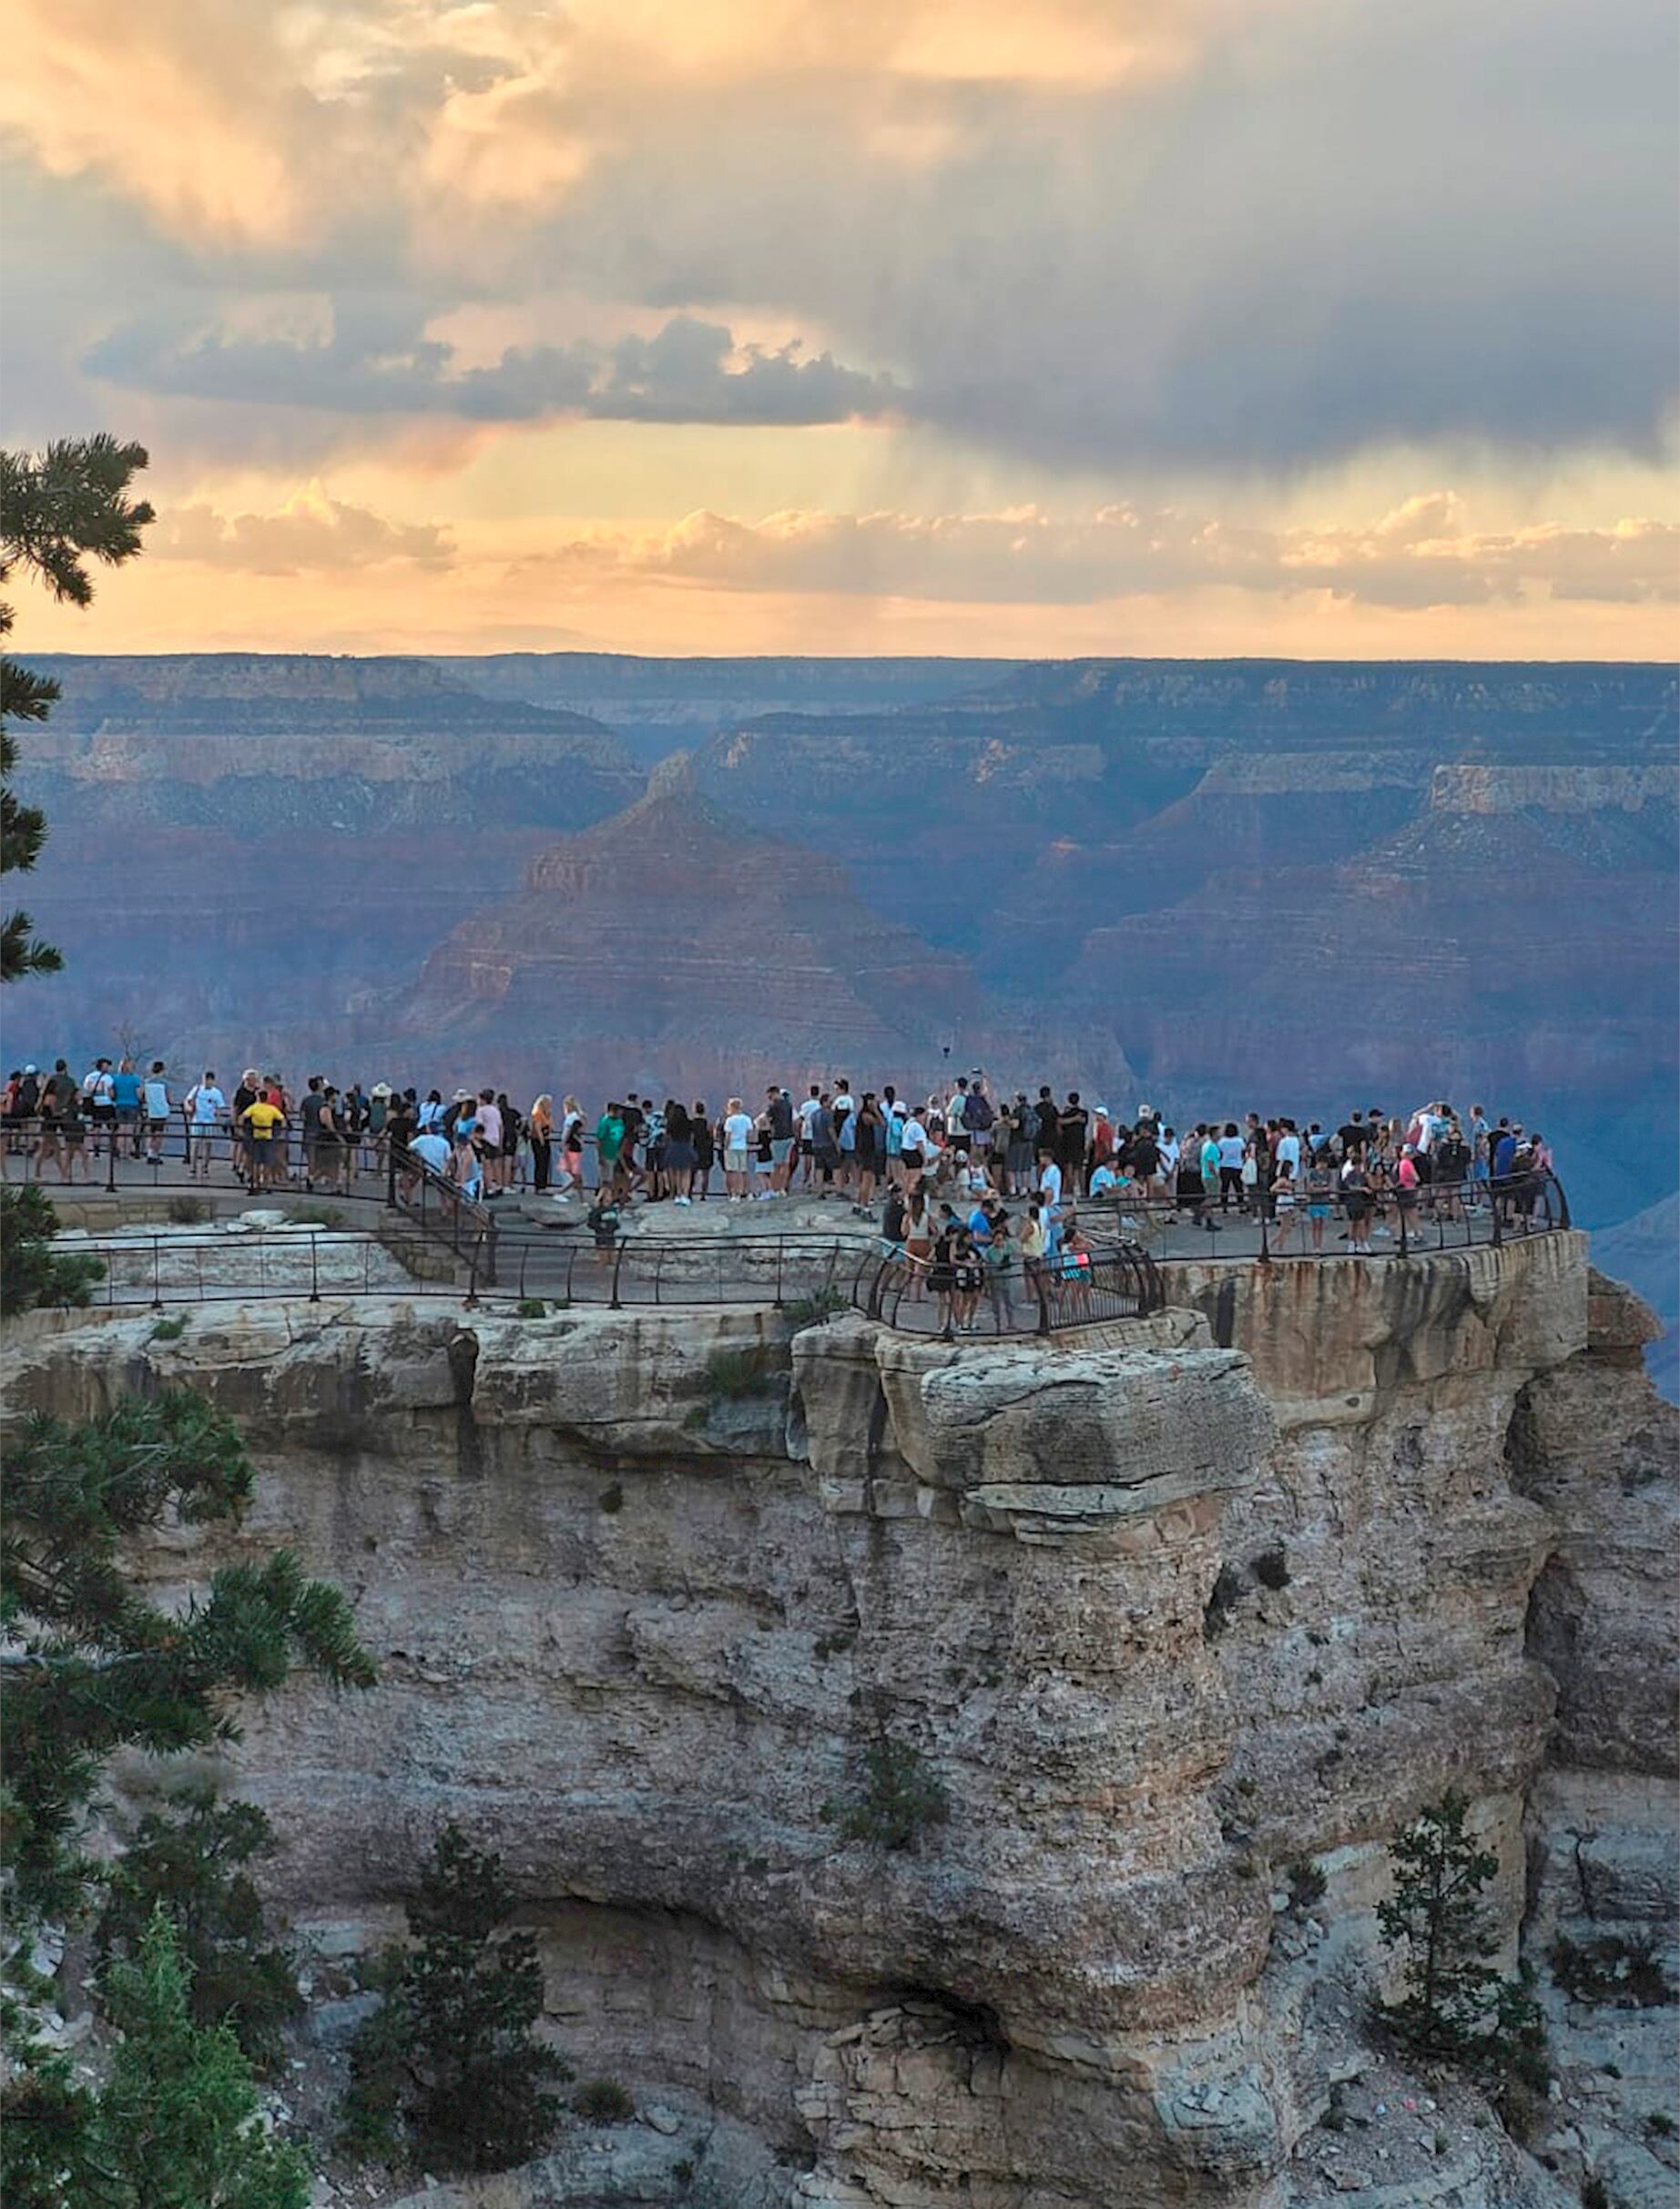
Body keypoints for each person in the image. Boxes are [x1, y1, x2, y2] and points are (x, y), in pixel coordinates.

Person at [186, 1070, 226, 1182]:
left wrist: (217, 1119)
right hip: (197, 1119)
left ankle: (205, 1168)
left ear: (212, 1081)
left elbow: (219, 1107)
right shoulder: (197, 1089)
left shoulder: (216, 1093)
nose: (205, 1083)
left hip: (209, 1121)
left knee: (207, 1145)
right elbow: (188, 1100)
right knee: (195, 1144)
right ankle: (193, 1168)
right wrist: (190, 1109)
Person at [721, 1097, 754, 1200]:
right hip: (743, 1146)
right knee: (744, 1171)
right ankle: (748, 1192)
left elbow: (728, 1136)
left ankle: (735, 1194)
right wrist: (747, 1143)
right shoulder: (747, 1119)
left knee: (733, 1171)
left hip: (732, 1147)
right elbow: (750, 1134)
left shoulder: (730, 1120)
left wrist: (725, 1147)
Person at [141, 1062, 171, 1166]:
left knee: (151, 1134)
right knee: (159, 1134)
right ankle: (155, 1154)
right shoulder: (163, 1083)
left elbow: (143, 1096)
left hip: (151, 1111)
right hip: (161, 1112)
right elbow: (168, 1098)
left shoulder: (147, 1082)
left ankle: (149, 1153)